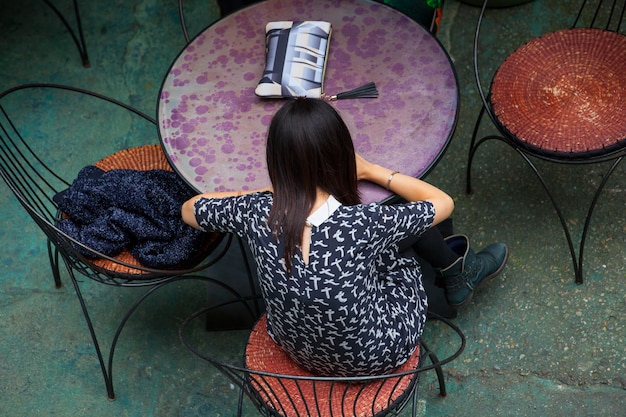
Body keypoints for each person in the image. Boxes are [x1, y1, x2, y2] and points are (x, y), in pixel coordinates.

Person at [182, 98, 507, 377]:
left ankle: (457, 271)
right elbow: (442, 203)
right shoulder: (362, 222)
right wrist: (371, 171)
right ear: (339, 154)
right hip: (374, 356)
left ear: (276, 159)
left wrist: (272, 191)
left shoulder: (255, 211)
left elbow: (190, 209)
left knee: (384, 239)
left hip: (295, 345)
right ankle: (459, 272)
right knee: (401, 234)